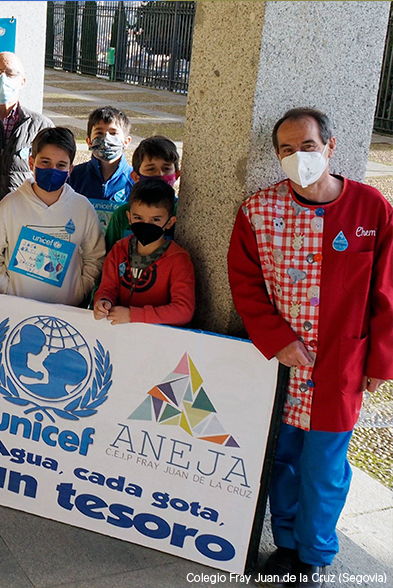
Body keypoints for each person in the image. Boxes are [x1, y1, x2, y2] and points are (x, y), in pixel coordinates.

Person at [228, 108, 393, 588]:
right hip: (283, 364)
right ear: (276, 156)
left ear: (330, 147)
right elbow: (246, 285)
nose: (298, 157)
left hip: (342, 363)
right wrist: (277, 339)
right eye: (286, 149)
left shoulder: (371, 209)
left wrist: (381, 360)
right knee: (282, 457)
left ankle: (314, 552)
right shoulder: (259, 212)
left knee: (325, 465)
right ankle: (286, 545)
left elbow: (387, 290)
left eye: (307, 146)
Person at [0, 127, 104, 306]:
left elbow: (95, 256)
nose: (52, 169)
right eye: (45, 162)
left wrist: (79, 291)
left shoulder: (83, 208)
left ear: (70, 169)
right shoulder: (9, 206)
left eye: (61, 165)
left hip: (67, 311)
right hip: (16, 307)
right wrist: (7, 291)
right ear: (31, 163)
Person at [93, 179, 194, 326]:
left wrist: (132, 315)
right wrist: (103, 302)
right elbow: (108, 288)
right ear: (129, 217)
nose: (146, 225)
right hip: (118, 333)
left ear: (170, 222)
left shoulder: (178, 259)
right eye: (138, 218)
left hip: (157, 339)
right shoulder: (119, 250)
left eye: (155, 219)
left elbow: (183, 310)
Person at [0, 51, 53, 200]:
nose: (3, 78)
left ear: (22, 82)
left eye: (10, 73)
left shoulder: (42, 126)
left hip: (21, 213)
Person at [104, 135, 180, 252]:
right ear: (135, 177)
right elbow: (109, 256)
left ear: (177, 175)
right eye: (151, 169)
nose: (160, 174)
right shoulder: (121, 216)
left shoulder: (181, 213)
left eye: (166, 169)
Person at [68, 106, 133, 203]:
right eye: (99, 133)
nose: (106, 138)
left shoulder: (134, 179)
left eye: (113, 133)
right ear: (89, 141)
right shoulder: (74, 177)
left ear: (126, 142)